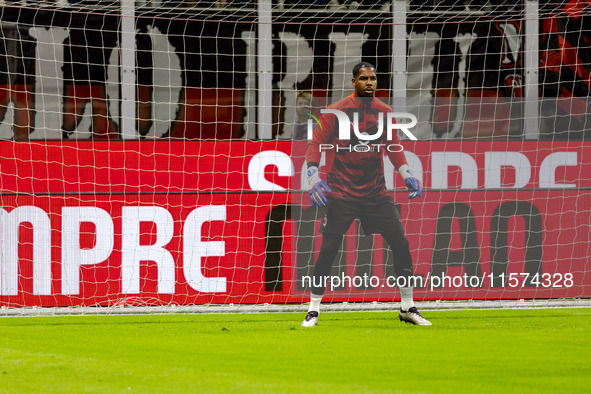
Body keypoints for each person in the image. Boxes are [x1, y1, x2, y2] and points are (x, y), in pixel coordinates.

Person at [301, 61, 431, 327]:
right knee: (328, 250)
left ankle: (407, 307)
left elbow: (393, 146)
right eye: (364, 78)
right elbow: (315, 144)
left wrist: (406, 173)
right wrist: (313, 176)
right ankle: (313, 310)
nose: (370, 82)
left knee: (401, 243)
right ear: (353, 82)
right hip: (340, 192)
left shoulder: (385, 112)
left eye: (373, 78)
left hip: (375, 192)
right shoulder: (337, 111)